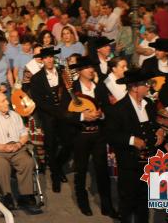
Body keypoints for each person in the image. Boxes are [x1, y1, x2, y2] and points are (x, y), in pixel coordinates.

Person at [106, 69, 166, 223]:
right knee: (128, 202)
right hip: (129, 163)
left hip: (149, 163)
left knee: (144, 202)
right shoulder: (119, 109)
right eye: (145, 84)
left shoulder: (149, 104)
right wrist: (132, 140)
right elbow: (111, 135)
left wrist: (159, 131)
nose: (148, 87)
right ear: (134, 87)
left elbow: (155, 124)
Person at [64, 56, 116, 217]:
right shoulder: (72, 88)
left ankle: (107, 206)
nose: (92, 70)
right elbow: (64, 113)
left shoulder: (99, 87)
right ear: (79, 71)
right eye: (88, 67)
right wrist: (82, 117)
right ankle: (83, 202)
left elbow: (107, 107)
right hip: (80, 135)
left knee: (102, 171)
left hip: (98, 134)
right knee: (81, 170)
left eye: (93, 67)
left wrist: (101, 114)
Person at [0, 92, 42, 215]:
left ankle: (25, 197)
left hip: (16, 148)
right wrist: (3, 147)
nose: (7, 102)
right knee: (2, 165)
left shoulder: (15, 115)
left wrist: (19, 144)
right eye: (3, 101)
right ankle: (6, 196)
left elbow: (24, 135)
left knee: (27, 161)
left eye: (6, 100)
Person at [29, 47, 72, 193]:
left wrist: (64, 111)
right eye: (46, 57)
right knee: (51, 146)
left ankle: (58, 166)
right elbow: (39, 101)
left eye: (51, 57)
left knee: (68, 143)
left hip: (63, 113)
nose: (49, 60)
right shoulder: (36, 78)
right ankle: (55, 175)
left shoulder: (61, 73)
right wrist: (56, 112)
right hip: (48, 115)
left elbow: (67, 92)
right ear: (42, 60)